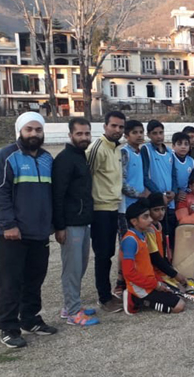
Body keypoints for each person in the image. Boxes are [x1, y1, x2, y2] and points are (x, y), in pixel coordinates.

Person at [0, 112, 57, 348]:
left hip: (39, 232)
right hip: (13, 233)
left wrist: (53, 225)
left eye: (38, 130)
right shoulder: (6, 156)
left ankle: (30, 319)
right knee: (10, 281)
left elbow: (52, 195)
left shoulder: (48, 158)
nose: (34, 134)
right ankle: (8, 327)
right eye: (29, 129)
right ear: (20, 130)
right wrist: (8, 224)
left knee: (34, 279)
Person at [52, 117, 99, 327]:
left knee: (80, 266)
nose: (84, 137)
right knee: (72, 268)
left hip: (83, 220)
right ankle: (72, 312)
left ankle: (72, 305)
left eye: (87, 133)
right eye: (79, 134)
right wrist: (60, 226)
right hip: (70, 223)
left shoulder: (81, 156)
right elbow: (57, 195)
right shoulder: (64, 159)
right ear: (70, 135)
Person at [86, 111, 125, 313]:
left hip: (113, 208)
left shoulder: (117, 149)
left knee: (109, 252)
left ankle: (108, 294)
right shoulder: (97, 148)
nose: (117, 130)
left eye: (120, 127)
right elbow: (86, 177)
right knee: (102, 255)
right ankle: (104, 297)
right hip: (100, 209)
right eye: (114, 126)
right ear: (105, 126)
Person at [120, 200, 185, 315]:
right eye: (145, 217)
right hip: (141, 286)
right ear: (134, 221)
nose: (150, 220)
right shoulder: (130, 241)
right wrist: (156, 285)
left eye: (149, 216)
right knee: (179, 306)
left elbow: (145, 265)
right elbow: (128, 273)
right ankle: (138, 300)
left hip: (150, 281)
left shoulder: (142, 235)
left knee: (180, 292)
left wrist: (157, 281)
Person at [140, 120, 177, 253]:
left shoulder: (169, 152)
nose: (159, 136)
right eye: (154, 133)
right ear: (149, 135)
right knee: (155, 235)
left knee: (170, 235)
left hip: (170, 201)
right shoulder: (146, 150)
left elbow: (173, 175)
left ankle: (169, 264)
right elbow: (144, 176)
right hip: (155, 201)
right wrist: (159, 195)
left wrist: (174, 191)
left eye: (161, 132)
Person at [143, 193, 189, 284]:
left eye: (163, 209)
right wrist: (174, 274)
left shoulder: (159, 225)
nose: (161, 213)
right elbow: (155, 257)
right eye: (156, 210)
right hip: (152, 271)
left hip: (160, 269)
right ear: (148, 211)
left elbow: (162, 255)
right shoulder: (149, 230)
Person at [120, 120, 149, 236]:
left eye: (141, 132)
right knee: (128, 239)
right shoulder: (124, 153)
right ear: (126, 136)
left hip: (139, 204)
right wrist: (139, 194)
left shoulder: (140, 153)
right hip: (127, 206)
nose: (139, 135)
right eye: (135, 132)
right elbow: (121, 181)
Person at [171, 132, 194, 202]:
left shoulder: (191, 161)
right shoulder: (170, 158)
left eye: (186, 144)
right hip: (172, 193)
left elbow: (192, 180)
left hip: (185, 194)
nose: (183, 146)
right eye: (179, 144)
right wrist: (176, 192)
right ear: (173, 146)